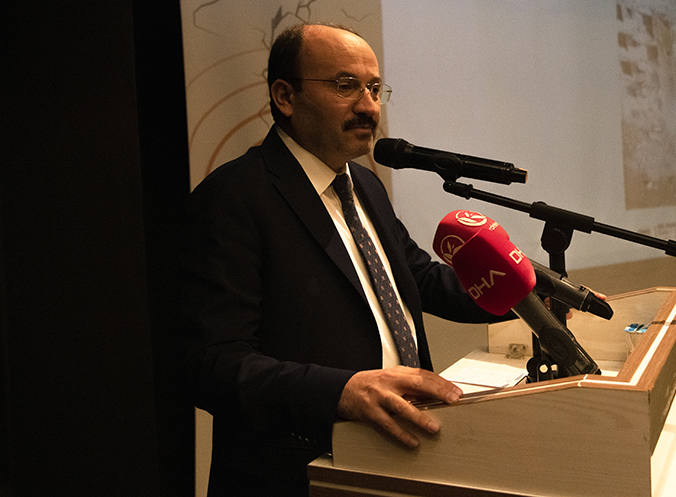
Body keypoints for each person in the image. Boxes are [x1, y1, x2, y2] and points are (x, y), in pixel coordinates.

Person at [179, 22, 509, 495]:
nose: (369, 106)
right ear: (285, 97)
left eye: (374, 88)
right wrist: (340, 392)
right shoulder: (234, 197)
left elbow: (417, 277)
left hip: (396, 459)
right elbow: (210, 363)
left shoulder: (363, 184)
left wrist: (524, 296)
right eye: (345, 85)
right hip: (299, 475)